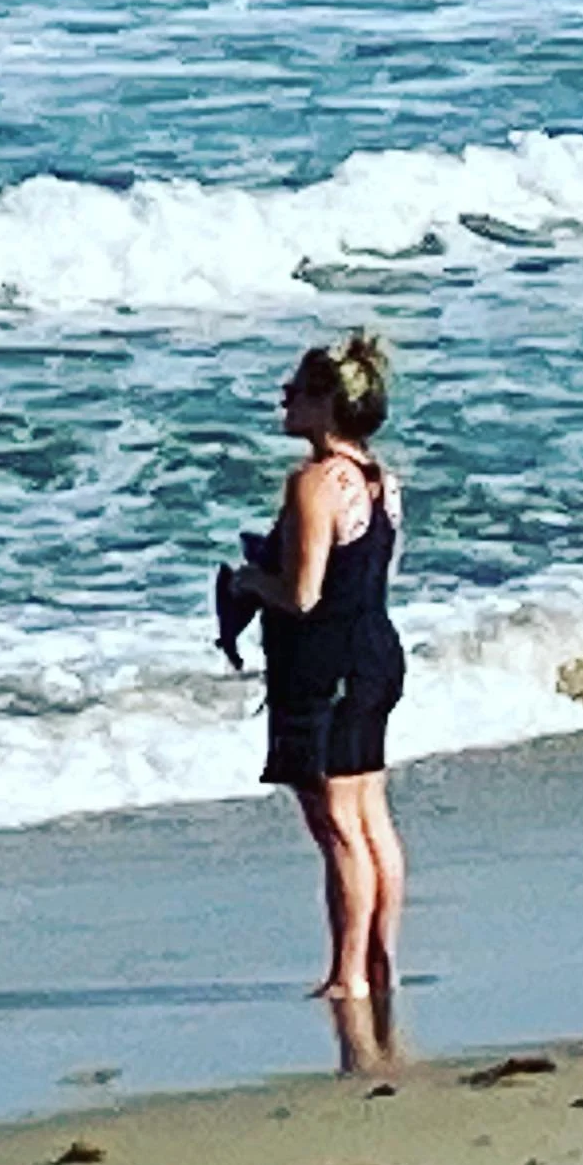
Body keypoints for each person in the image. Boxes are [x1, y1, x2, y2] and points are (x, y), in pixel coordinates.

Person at [229, 333, 406, 1003]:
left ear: (328, 403)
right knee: (370, 815)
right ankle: (380, 962)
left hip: (325, 665)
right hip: (375, 652)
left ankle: (346, 974)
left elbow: (303, 594)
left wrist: (249, 581)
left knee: (336, 826)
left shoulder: (313, 482)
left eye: (296, 390)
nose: (285, 400)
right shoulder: (381, 480)